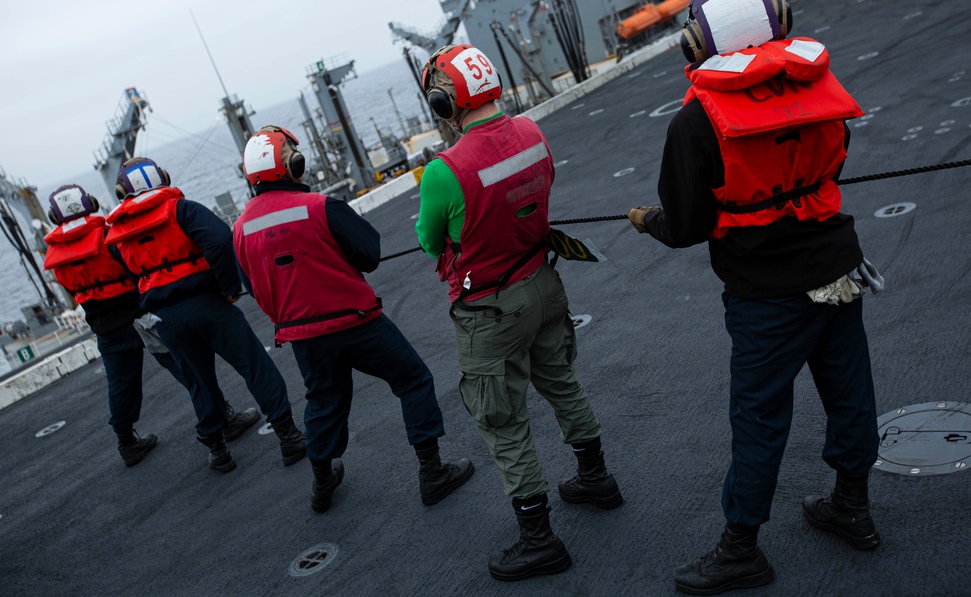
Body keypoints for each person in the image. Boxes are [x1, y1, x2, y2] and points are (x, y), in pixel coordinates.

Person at [631, 0, 882, 594]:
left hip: (766, 294)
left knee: (760, 417)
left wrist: (648, 221)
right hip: (837, 268)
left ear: (697, 43)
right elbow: (837, 153)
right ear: (781, 19)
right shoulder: (817, 82)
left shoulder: (694, 123)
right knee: (848, 391)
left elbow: (687, 224)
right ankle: (852, 505)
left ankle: (741, 547)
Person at [417, 44, 622, 581]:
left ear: (445, 103)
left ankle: (538, 538)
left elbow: (427, 240)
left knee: (503, 420)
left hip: (490, 308)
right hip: (543, 283)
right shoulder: (532, 133)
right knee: (562, 381)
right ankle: (595, 478)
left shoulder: (444, 170)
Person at [232, 125, 474, 513]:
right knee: (412, 380)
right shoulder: (320, 206)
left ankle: (322, 483)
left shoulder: (241, 229)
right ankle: (432, 473)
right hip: (358, 322)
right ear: (294, 164)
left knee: (323, 403)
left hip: (304, 336)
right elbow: (369, 255)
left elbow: (254, 287)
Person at [105, 157, 307, 473]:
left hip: (166, 319)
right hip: (209, 305)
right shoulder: (182, 210)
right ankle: (289, 437)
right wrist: (228, 287)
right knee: (255, 366)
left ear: (122, 192)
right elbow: (219, 239)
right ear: (163, 178)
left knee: (199, 383)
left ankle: (218, 451)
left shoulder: (116, 233)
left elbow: (130, 273)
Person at [42, 184, 259, 467]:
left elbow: (75, 291)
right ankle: (225, 420)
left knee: (121, 385)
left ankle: (127, 442)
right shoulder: (108, 235)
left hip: (106, 327)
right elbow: (135, 266)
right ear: (91, 204)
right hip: (142, 318)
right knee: (189, 371)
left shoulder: (57, 257)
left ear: (52, 216)